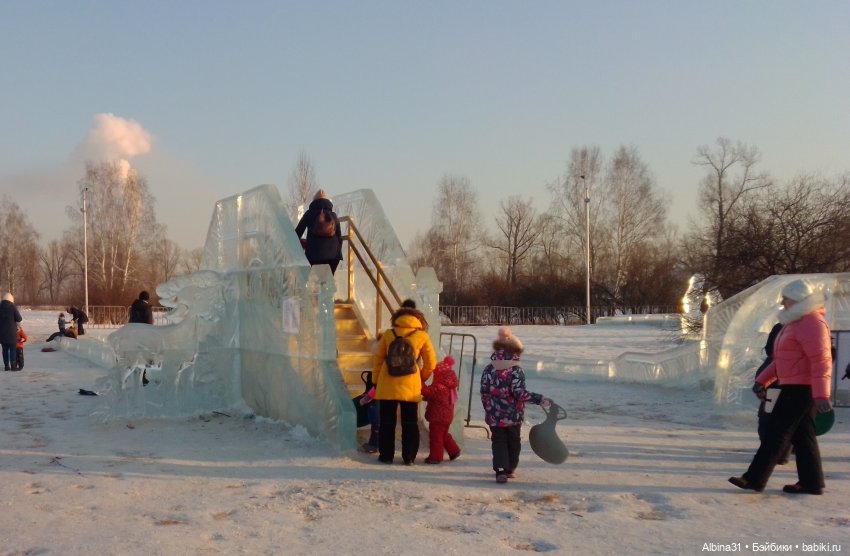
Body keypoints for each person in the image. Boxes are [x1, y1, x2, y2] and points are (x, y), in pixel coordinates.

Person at [729, 278, 833, 495]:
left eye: (785, 298)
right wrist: (762, 380)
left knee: (776, 432)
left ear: (796, 299)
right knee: (803, 437)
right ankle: (812, 482)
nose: (782, 302)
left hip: (801, 388)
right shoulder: (795, 323)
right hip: (793, 386)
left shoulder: (812, 323)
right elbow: (781, 360)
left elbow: (821, 360)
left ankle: (754, 479)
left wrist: (822, 394)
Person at [480, 327, 550, 483]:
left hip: (494, 415)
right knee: (513, 441)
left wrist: (488, 408)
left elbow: (484, 391)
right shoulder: (516, 371)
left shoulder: (488, 369)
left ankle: (500, 470)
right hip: (513, 415)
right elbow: (519, 393)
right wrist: (539, 399)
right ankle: (510, 468)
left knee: (498, 441)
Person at [371, 303, 437, 465]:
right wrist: (420, 378)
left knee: (387, 422)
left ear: (397, 319)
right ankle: (409, 457)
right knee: (410, 422)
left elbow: (378, 360)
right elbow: (431, 363)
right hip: (410, 386)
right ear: (418, 319)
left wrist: (375, 381)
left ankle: (386, 456)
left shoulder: (388, 334)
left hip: (387, 384)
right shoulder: (422, 336)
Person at [755, 322, 791, 465]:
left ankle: (772, 452)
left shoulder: (781, 327)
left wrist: (760, 384)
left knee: (767, 419)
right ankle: (783, 453)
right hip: (792, 387)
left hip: (774, 387)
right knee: (787, 421)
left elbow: (770, 352)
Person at [422, 354, 462, 464]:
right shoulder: (449, 387)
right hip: (446, 417)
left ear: (440, 374)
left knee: (436, 437)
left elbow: (427, 392)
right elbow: (435, 397)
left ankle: (436, 457)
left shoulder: (439, 386)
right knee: (443, 435)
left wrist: (420, 383)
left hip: (437, 417)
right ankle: (454, 451)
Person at [294, 189, 343, 275]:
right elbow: (339, 237)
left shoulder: (309, 214)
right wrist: (337, 252)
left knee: (314, 283)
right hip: (333, 256)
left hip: (313, 256)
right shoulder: (333, 216)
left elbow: (296, 234)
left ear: (314, 201)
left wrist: (304, 243)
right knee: (327, 283)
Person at [0, 292, 23, 371]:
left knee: (5, 349)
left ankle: (6, 366)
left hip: (2, 334)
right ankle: (13, 365)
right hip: (12, 333)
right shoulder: (12, 307)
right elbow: (19, 318)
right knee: (13, 349)